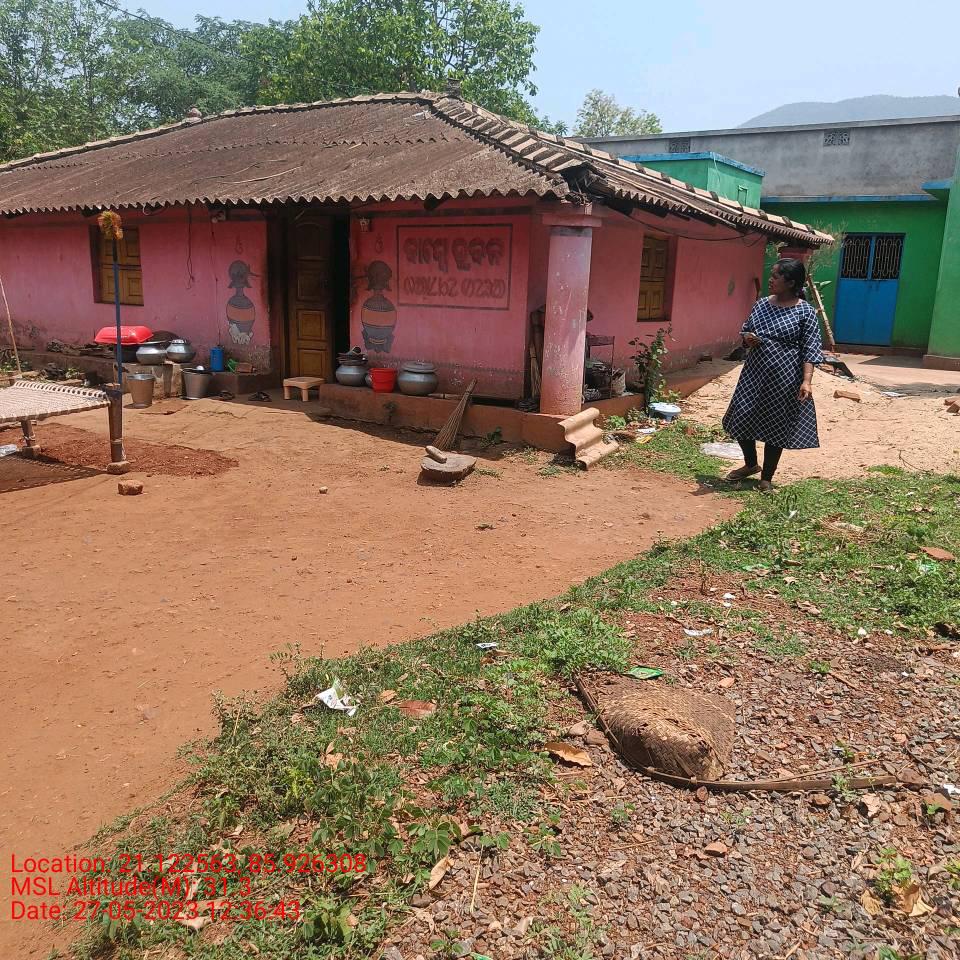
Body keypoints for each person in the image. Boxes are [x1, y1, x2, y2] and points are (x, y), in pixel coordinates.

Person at [722, 258, 822, 492]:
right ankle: (750, 464)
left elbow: (811, 348)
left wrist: (806, 381)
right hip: (754, 373)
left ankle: (766, 478)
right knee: (742, 415)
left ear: (791, 282)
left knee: (775, 425)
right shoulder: (761, 304)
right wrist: (748, 339)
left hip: (784, 378)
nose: (770, 279)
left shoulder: (805, 312)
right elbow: (746, 329)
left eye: (776, 276)